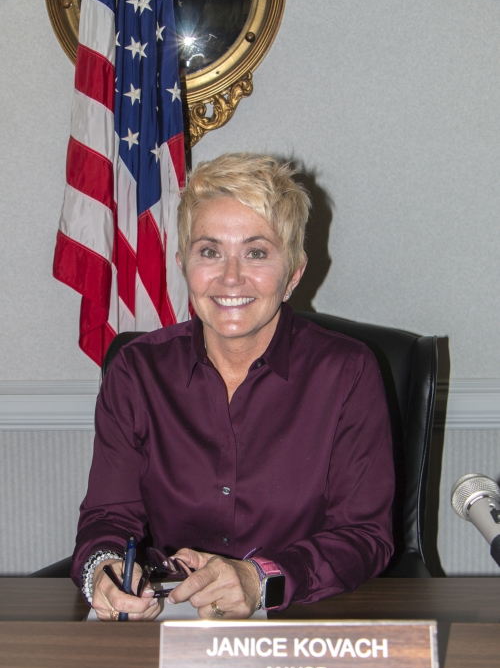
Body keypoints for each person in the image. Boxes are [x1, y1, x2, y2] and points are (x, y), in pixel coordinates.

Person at [71, 153, 394, 621]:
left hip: (304, 623)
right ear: (183, 264)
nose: (230, 278)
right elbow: (106, 518)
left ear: (294, 274)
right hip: (171, 622)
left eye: (257, 252)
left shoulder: (347, 372)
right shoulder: (136, 372)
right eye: (210, 251)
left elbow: (365, 536)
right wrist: (104, 570)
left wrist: (260, 578)